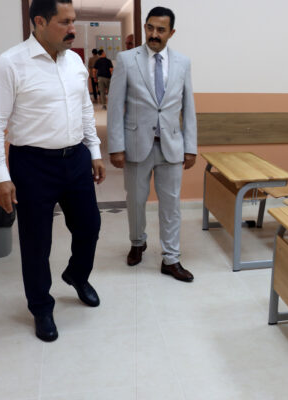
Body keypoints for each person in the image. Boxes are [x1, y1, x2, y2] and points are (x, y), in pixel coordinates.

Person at [0, 0, 105, 342]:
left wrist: (94, 151)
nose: (73, 29)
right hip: (33, 164)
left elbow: (85, 109)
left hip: (75, 159)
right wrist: (0, 177)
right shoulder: (10, 64)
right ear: (39, 21)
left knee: (90, 226)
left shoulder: (74, 62)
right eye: (65, 22)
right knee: (36, 242)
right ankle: (41, 306)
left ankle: (77, 275)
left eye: (73, 21)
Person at [107, 6, 197, 282]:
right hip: (136, 144)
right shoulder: (126, 60)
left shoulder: (182, 63)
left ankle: (171, 258)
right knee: (135, 201)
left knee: (171, 205)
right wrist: (116, 146)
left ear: (171, 32)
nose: (154, 34)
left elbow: (188, 107)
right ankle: (137, 242)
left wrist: (190, 147)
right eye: (150, 28)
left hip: (171, 144)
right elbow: (115, 106)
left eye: (160, 30)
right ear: (145, 27)